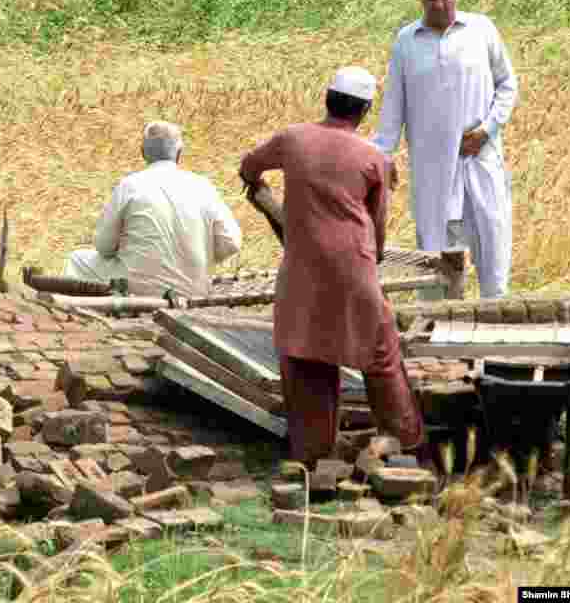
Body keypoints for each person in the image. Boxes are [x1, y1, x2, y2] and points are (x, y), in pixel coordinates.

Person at [239, 67, 425, 467]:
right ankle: (403, 440)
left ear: (327, 98)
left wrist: (264, 194)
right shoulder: (375, 158)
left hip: (301, 273)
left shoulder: (292, 139)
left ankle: (315, 458)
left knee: (307, 358)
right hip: (354, 272)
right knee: (380, 354)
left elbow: (249, 167)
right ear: (364, 111)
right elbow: (376, 231)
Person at [372, 0, 518, 299]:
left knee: (493, 251)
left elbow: (507, 84)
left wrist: (487, 130)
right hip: (433, 170)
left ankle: (493, 331)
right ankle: (439, 336)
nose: (440, 5)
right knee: (436, 261)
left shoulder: (481, 30)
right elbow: (393, 106)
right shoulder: (407, 41)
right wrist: (382, 156)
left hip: (480, 162)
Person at [63, 121, 242, 300]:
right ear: (179, 153)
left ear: (143, 153)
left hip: (135, 289)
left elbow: (103, 246)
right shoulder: (203, 186)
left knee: (76, 260)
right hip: (194, 290)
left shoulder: (130, 185)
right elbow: (232, 243)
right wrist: (199, 257)